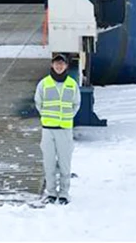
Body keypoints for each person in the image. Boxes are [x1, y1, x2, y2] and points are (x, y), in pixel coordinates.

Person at [34, 53, 80, 204]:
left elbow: (76, 104)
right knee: (49, 162)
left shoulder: (72, 84)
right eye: (56, 63)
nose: (59, 66)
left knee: (65, 162)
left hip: (64, 130)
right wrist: (48, 118)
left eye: (62, 64)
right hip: (48, 129)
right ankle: (52, 192)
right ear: (52, 65)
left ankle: (64, 193)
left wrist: (66, 118)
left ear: (66, 66)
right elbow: (38, 103)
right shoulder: (44, 84)